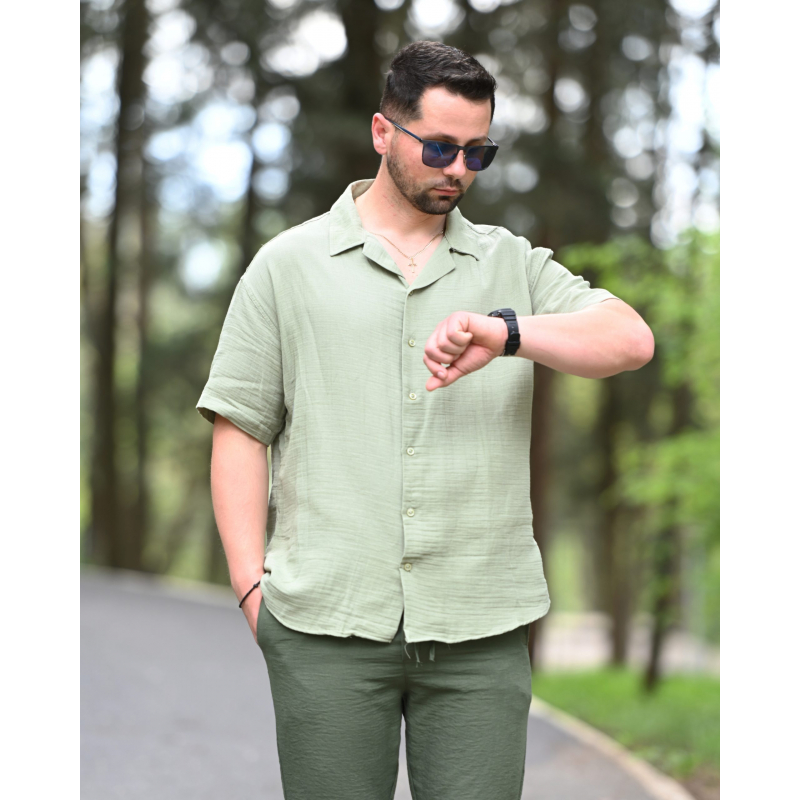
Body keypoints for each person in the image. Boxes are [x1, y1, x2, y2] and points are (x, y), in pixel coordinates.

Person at [196, 39, 654, 800]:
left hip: (481, 629)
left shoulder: (512, 264)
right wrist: (251, 589)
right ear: (384, 132)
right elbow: (241, 426)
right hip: (325, 627)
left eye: (479, 153)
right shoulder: (287, 265)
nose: (458, 169)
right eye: (440, 147)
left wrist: (507, 333)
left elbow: (629, 340)